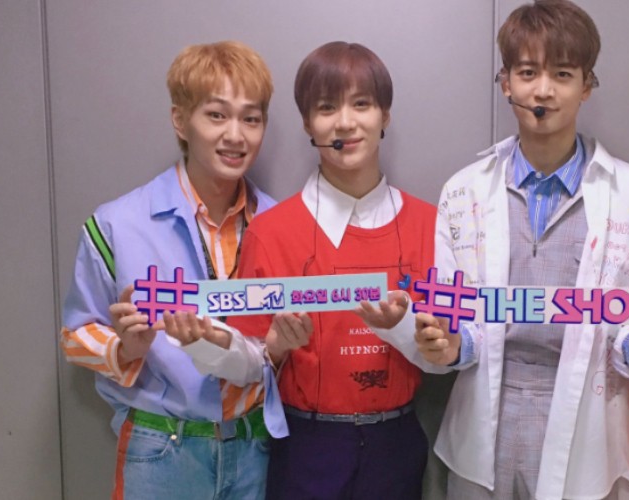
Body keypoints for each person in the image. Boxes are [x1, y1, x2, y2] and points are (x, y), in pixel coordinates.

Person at [373, 2, 629, 498]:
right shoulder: (464, 192)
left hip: (588, 429)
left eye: (562, 74)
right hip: (484, 428)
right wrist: (448, 344)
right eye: (527, 72)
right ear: (505, 83)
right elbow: (459, 322)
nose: (543, 90)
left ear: (586, 86)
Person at [168, 41, 437, 499]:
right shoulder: (272, 231)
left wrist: (410, 329)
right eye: (326, 107)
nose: (345, 123)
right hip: (306, 445)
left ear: (385, 116)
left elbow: (447, 350)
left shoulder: (429, 225)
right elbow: (250, 358)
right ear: (307, 123)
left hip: (397, 442)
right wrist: (212, 345)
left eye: (362, 104)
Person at [60, 41, 280, 499]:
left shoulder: (282, 225)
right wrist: (126, 348)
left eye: (251, 118)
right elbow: (76, 336)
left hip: (256, 449)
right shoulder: (117, 224)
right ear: (180, 120)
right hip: (161, 449)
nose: (235, 135)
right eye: (216, 115)